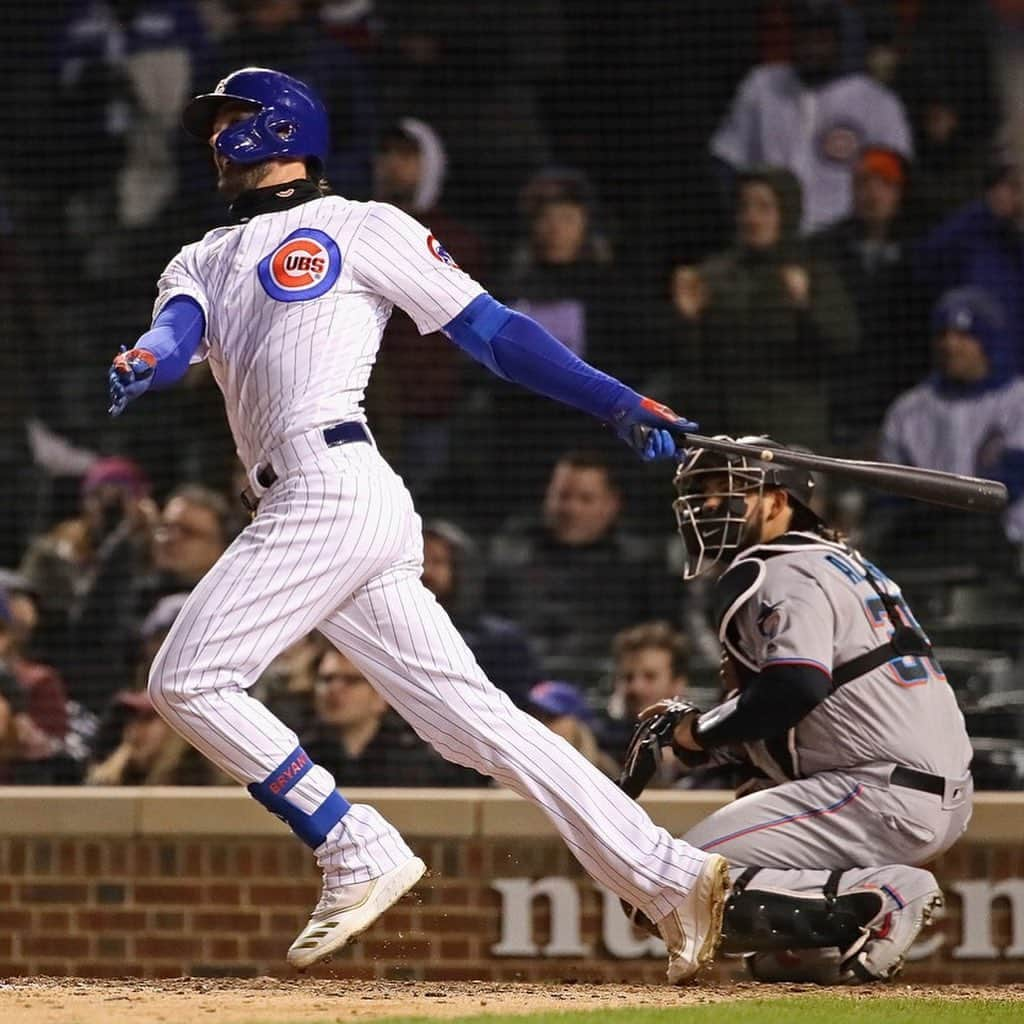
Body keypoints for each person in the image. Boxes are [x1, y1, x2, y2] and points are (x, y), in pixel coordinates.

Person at [105, 67, 729, 983]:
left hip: (333, 482)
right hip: (315, 501)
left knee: (188, 678)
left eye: (231, 115)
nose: (217, 131)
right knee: (472, 727)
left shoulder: (364, 223)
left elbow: (494, 332)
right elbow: (174, 337)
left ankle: (351, 842)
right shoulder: (199, 255)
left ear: (279, 128)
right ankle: (669, 876)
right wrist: (142, 358)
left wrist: (613, 400)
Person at [619, 438, 972, 984]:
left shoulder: (777, 568)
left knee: (657, 881)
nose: (710, 505)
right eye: (704, 493)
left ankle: (881, 898)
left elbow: (795, 688)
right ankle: (812, 951)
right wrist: (706, 743)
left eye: (729, 491)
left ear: (780, 502)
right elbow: (821, 710)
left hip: (875, 792)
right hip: (922, 788)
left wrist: (697, 733)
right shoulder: (844, 564)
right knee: (711, 857)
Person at [666, 168, 858, 450]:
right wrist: (688, 320)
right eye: (744, 207)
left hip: (793, 437)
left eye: (764, 207)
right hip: (728, 435)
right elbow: (695, 365)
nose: (752, 218)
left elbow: (844, 345)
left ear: (786, 213)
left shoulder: (812, 272)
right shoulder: (714, 275)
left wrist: (807, 307)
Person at [710, 0, 912, 234]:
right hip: (771, 236)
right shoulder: (763, 85)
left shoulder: (876, 101)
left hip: (841, 241)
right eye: (805, 36)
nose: (812, 47)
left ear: (841, 41)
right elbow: (725, 159)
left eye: (822, 38)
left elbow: (891, 177)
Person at [368, 119, 487, 497]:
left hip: (430, 413)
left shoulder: (457, 243)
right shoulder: (355, 233)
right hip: (364, 408)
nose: (393, 165)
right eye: (386, 154)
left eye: (407, 155)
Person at [488, 450, 673, 677]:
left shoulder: (641, 567)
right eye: (563, 496)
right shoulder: (510, 558)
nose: (571, 509)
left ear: (612, 504)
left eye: (585, 499)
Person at [876, 286, 1024, 560]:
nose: (950, 345)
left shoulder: (1017, 401)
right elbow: (889, 494)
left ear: (988, 342)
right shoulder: (909, 409)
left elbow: (1010, 484)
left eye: (964, 335)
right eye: (943, 334)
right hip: (926, 541)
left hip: (1008, 547)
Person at [807, 147, 925, 441]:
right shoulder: (824, 250)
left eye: (884, 184)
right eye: (863, 184)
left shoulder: (922, 250)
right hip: (843, 400)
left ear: (901, 191)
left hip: (902, 394)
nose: (873, 195)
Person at [301, 648, 479, 787]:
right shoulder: (300, 757)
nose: (334, 689)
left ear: (381, 696)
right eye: (327, 679)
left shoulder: (414, 760)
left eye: (351, 680)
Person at [912, 156, 1024, 369]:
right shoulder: (973, 232)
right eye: (1012, 186)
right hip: (969, 373)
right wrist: (986, 211)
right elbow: (924, 263)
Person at [421, 520, 540, 708]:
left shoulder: (500, 640)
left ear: (461, 570)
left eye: (437, 562)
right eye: (417, 562)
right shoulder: (383, 631)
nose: (425, 571)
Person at [599, 621, 690, 771]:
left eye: (650, 677)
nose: (636, 687)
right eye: (628, 677)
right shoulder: (602, 747)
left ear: (677, 683)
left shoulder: (705, 752)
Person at [526, 680, 618, 778]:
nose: (540, 724)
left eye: (550, 717)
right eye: (534, 717)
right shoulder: (528, 767)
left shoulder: (605, 772)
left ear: (577, 720)